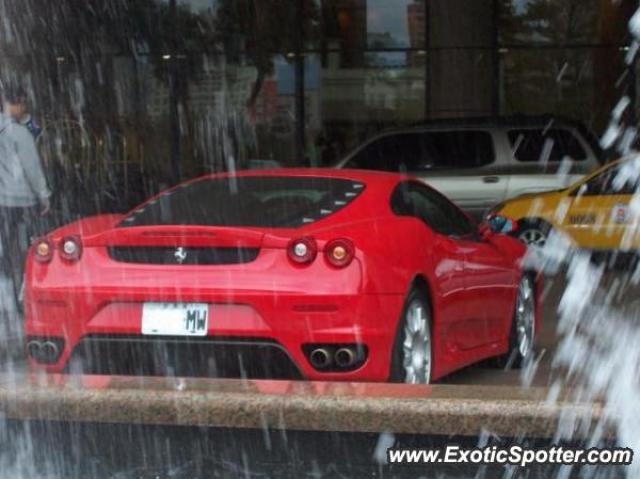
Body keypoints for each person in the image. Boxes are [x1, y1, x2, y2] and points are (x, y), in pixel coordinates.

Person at [0, 84, 51, 311]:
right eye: (24, 104)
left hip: (1, 202)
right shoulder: (20, 133)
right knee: (29, 249)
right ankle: (25, 293)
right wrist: (44, 195)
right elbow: (32, 168)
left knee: (7, 246)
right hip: (22, 202)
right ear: (17, 103)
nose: (25, 109)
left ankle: (8, 293)